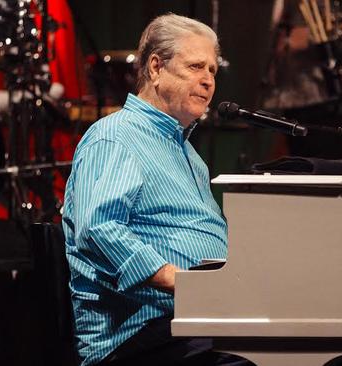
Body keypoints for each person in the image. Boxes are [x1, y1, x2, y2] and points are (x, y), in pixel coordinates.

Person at [62, 13, 254, 366]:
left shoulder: (190, 156)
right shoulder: (116, 136)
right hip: (137, 335)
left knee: (324, 345)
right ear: (155, 68)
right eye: (196, 66)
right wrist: (179, 280)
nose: (208, 81)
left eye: (212, 70)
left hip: (195, 321)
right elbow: (99, 228)